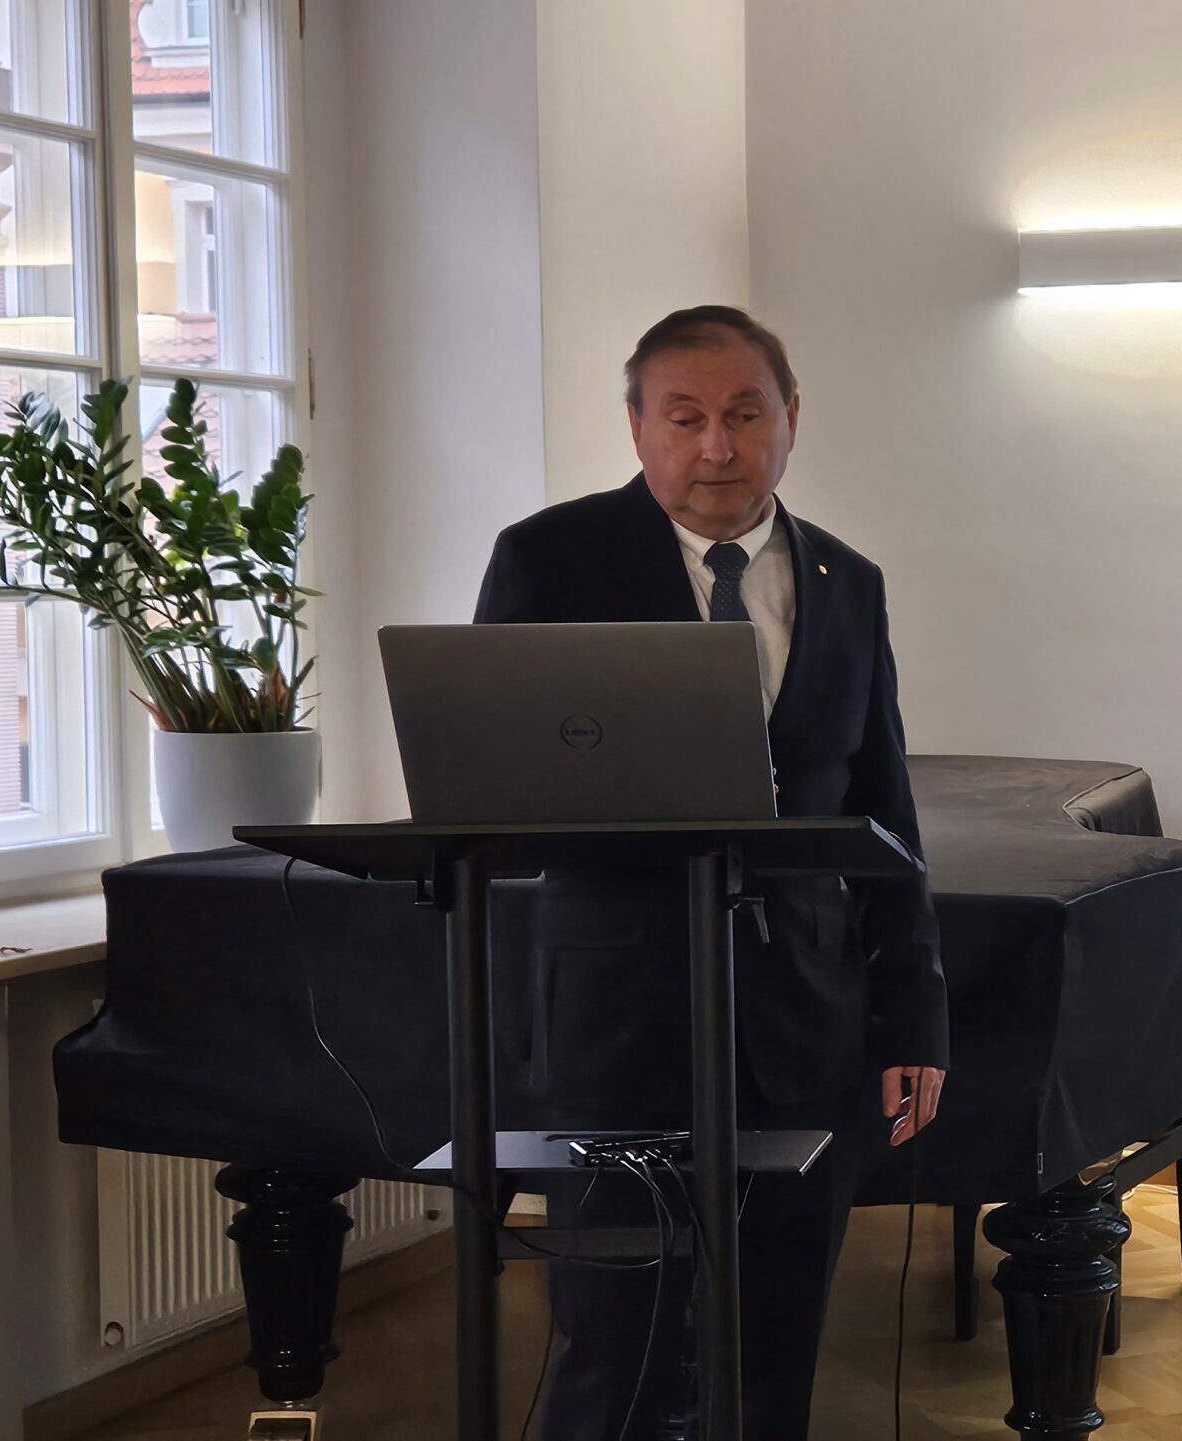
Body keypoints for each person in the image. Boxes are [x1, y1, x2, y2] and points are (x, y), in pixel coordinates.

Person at [474, 305, 951, 1440]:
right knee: (614, 1348)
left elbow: (884, 812)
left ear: (792, 418)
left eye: (745, 414)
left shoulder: (848, 579)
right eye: (684, 418)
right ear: (637, 427)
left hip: (802, 1022)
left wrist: (916, 1014)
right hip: (615, 1023)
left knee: (774, 1348)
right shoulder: (549, 558)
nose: (718, 447)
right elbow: (492, 793)